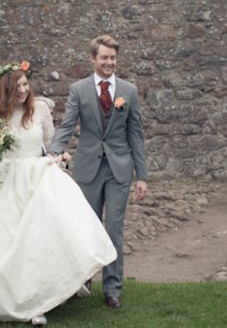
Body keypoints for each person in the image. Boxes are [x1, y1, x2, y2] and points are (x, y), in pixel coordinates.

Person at [0, 63, 117, 325]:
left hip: (36, 177)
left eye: (26, 84)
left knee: (36, 239)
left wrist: (60, 156)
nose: (23, 90)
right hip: (4, 181)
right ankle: (11, 298)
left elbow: (50, 145)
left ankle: (39, 298)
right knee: (2, 239)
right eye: (17, 87)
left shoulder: (39, 110)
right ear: (6, 90)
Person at [47, 35, 148, 308]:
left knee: (114, 229)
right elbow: (67, 125)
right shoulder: (78, 89)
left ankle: (112, 289)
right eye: (104, 57)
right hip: (88, 168)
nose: (109, 62)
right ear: (92, 59)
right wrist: (53, 152)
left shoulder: (129, 90)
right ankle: (83, 278)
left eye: (113, 58)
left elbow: (136, 135)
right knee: (86, 228)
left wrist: (143, 176)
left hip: (119, 170)